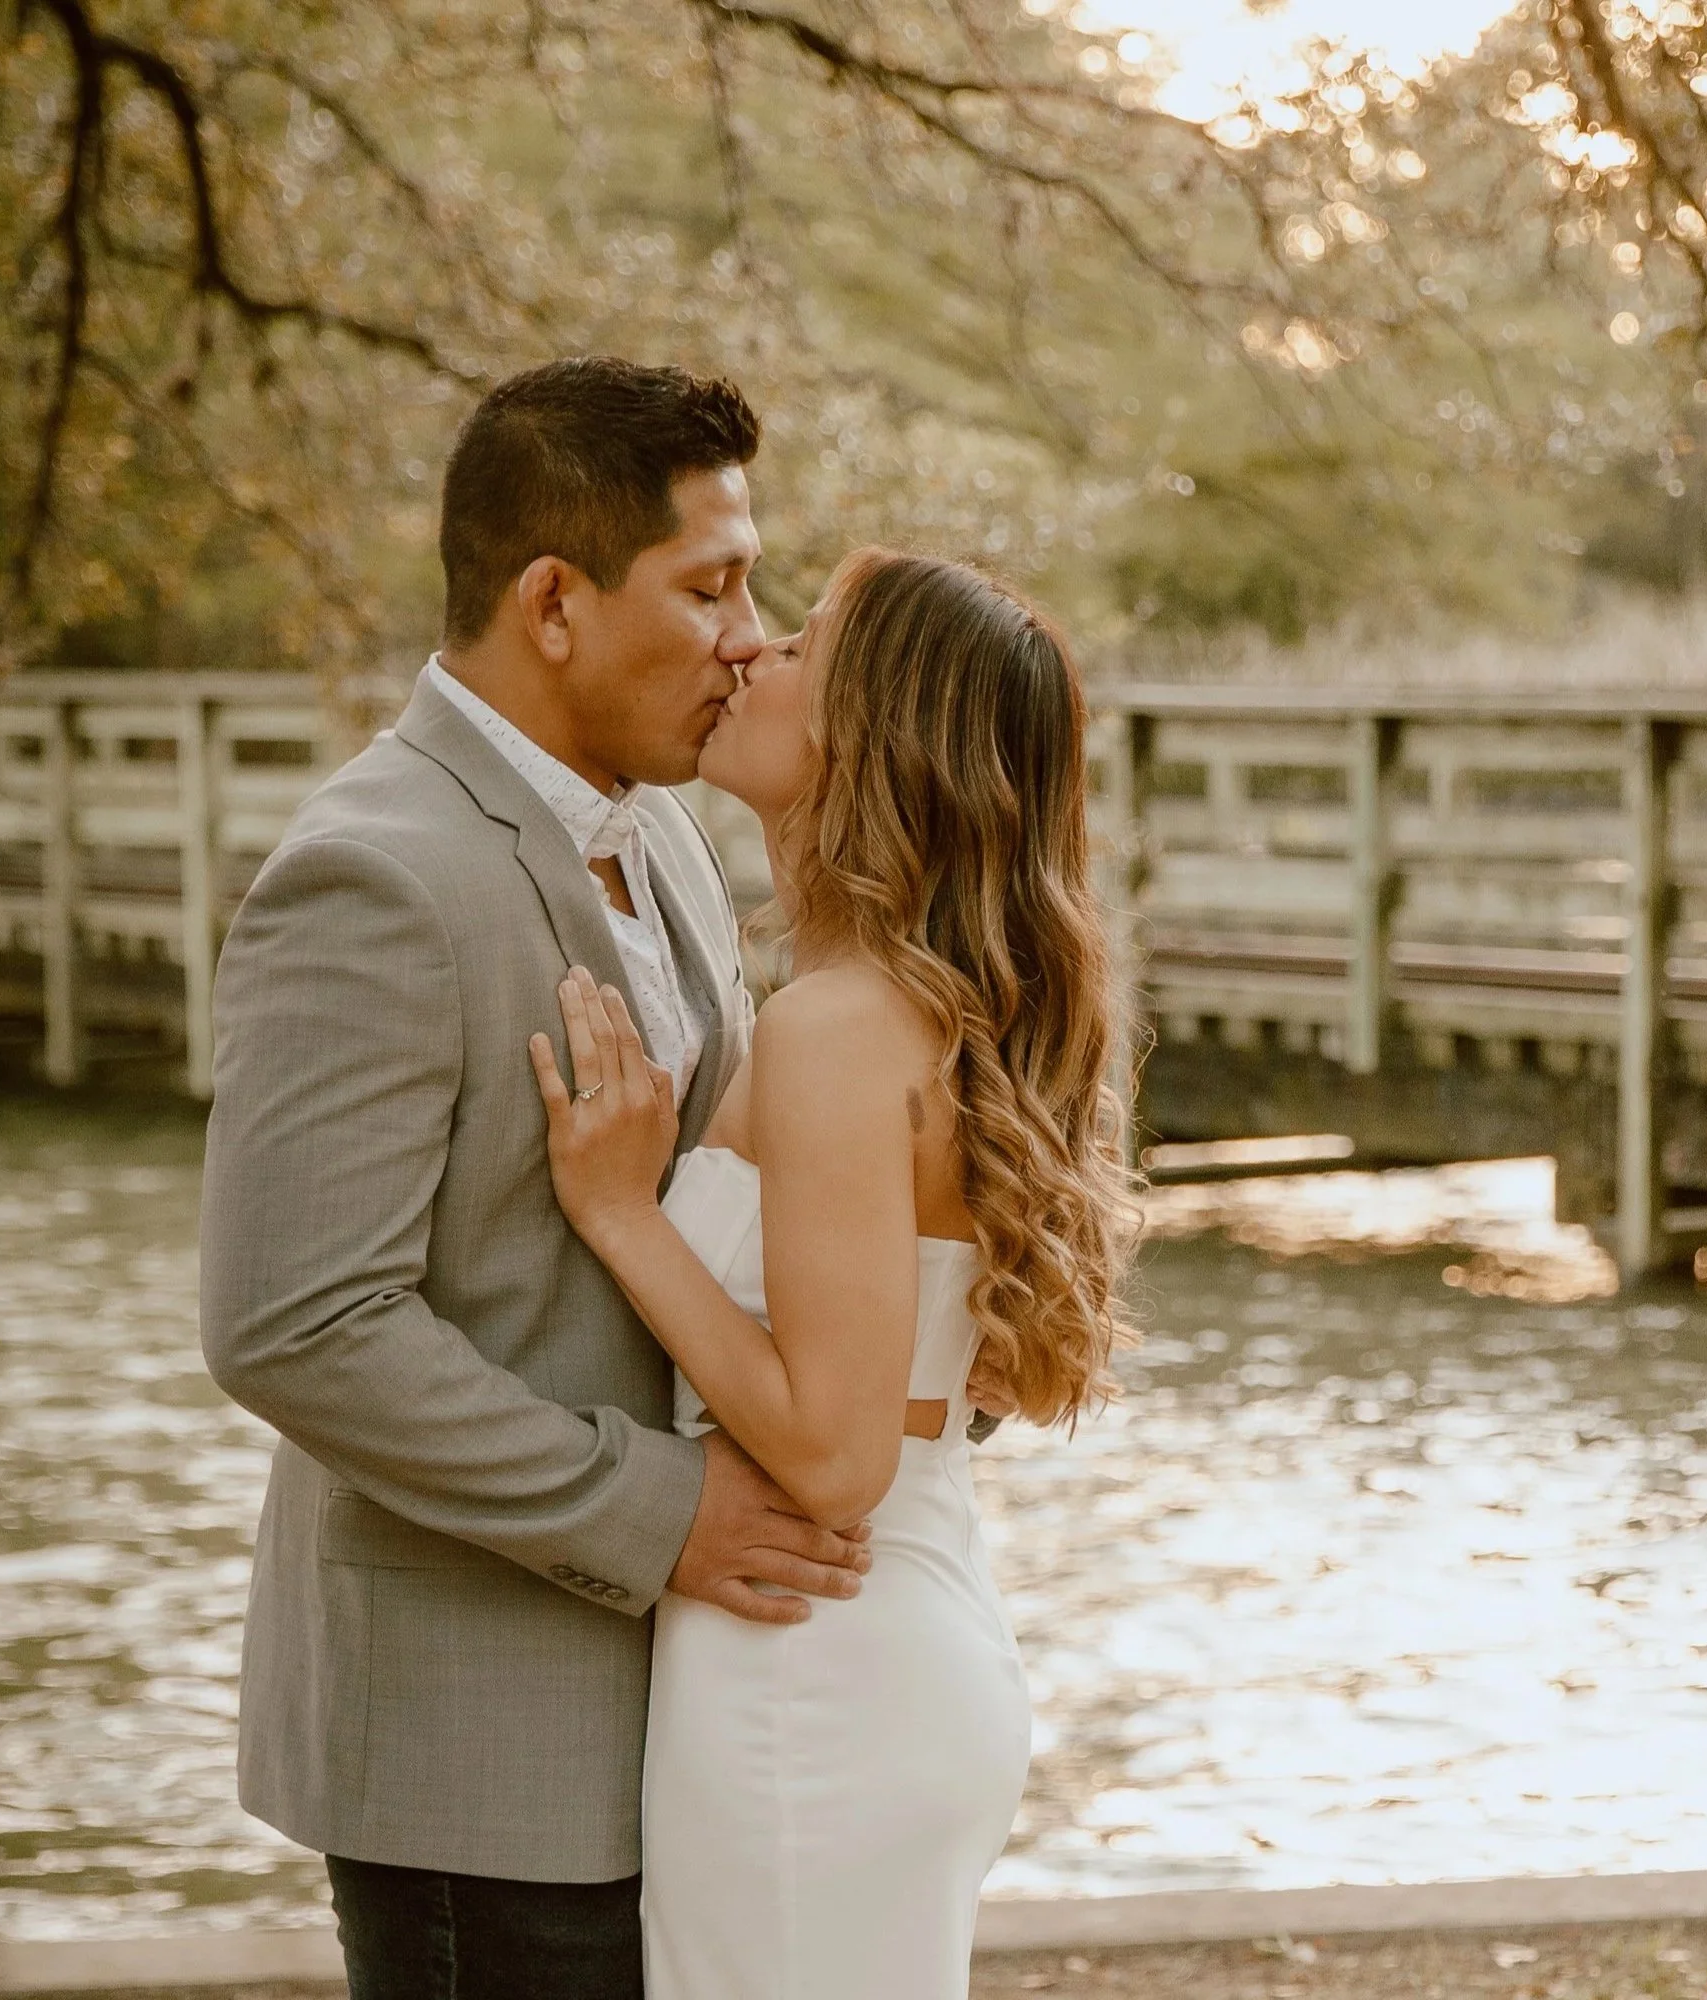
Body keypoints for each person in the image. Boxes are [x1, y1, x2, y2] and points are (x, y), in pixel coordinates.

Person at [198, 357, 872, 2000]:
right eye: (709, 585)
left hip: (700, 1724)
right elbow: (295, 1322)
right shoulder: (372, 874)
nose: (746, 632)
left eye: (751, 583)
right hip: (474, 1752)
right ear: (554, 601)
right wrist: (661, 1514)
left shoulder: (667, 842)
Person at [527, 545, 1138, 1998]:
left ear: (875, 732)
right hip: (870, 1647)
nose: (751, 656)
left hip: (818, 1672)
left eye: (800, 646)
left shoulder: (839, 1029)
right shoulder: (884, 1013)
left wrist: (624, 1216)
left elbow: (833, 1454)